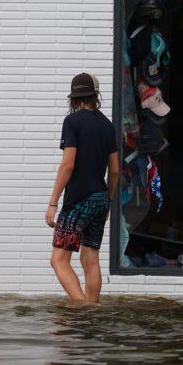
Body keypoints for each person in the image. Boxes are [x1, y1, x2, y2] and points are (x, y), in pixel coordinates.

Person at [45, 73, 119, 303]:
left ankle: (83, 308)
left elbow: (68, 164)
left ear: (74, 97)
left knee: (59, 260)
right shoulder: (108, 125)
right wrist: (108, 200)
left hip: (78, 200)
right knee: (90, 258)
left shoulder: (72, 122)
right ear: (96, 95)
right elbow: (114, 170)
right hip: (100, 199)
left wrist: (53, 203)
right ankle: (92, 308)